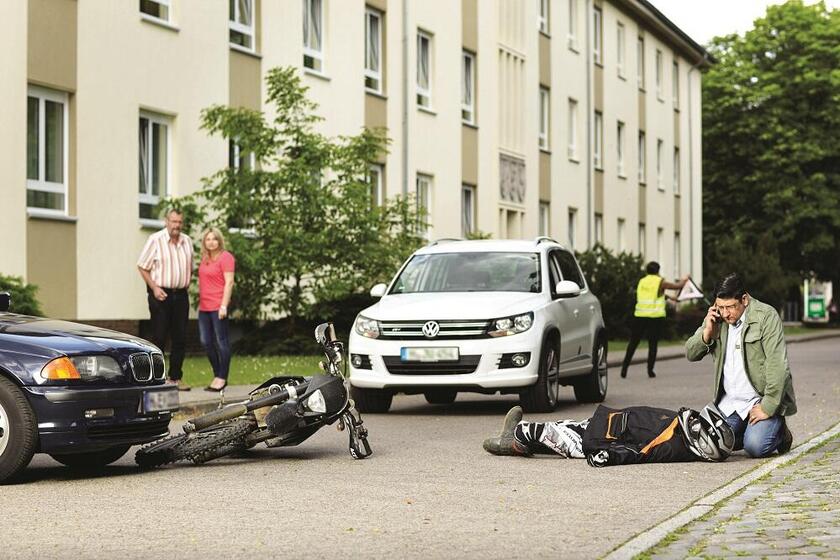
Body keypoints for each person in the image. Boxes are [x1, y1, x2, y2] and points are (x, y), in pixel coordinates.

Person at [685, 273, 795, 458]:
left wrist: (768, 407)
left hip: (759, 400)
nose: (725, 313)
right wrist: (707, 332)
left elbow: (778, 366)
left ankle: (780, 433)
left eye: (730, 307)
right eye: (720, 307)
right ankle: (747, 431)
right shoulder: (716, 317)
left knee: (755, 447)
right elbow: (691, 353)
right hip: (729, 404)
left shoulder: (766, 316)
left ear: (744, 299)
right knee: (709, 443)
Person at [482, 403, 734, 467]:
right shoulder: (682, 425)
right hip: (606, 424)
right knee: (563, 426)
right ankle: (525, 444)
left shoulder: (673, 447)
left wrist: (610, 456)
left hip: (603, 440)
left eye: (699, 426)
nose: (695, 422)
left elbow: (640, 453)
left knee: (547, 432)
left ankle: (513, 439)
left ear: (702, 443)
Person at [137, 209, 193, 391]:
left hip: (181, 295)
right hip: (161, 294)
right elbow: (142, 266)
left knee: (180, 337)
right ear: (166, 221)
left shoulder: (187, 241)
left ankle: (176, 377)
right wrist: (154, 287)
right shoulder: (155, 239)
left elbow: (190, 268)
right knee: (159, 336)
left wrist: (184, 284)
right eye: (174, 221)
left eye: (180, 222)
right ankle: (157, 379)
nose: (177, 225)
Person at [620, 262, 688, 379]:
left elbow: (651, 295)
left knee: (633, 342)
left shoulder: (642, 281)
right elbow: (677, 286)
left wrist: (669, 297)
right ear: (657, 271)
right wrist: (685, 280)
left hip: (640, 315)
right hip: (655, 317)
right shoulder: (660, 281)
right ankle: (650, 370)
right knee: (653, 344)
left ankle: (624, 367)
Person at [197, 228, 235, 392]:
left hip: (219, 307)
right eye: (208, 239)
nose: (211, 242)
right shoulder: (205, 258)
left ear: (219, 241)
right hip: (204, 307)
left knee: (221, 342)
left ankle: (222, 377)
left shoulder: (226, 257)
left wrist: (224, 305)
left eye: (214, 239)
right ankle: (217, 374)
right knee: (205, 341)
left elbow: (229, 282)